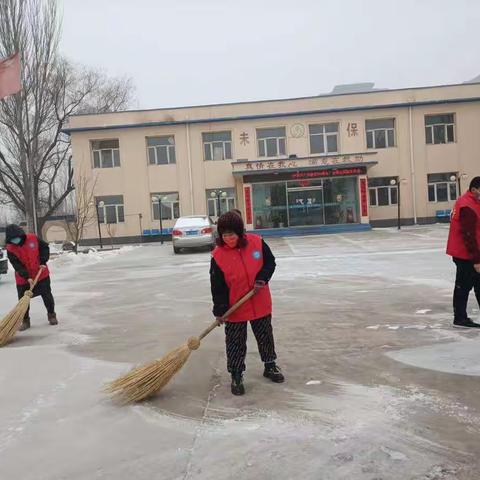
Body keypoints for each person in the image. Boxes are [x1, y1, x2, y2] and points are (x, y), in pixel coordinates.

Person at [210, 211, 284, 395]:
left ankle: (270, 365)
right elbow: (217, 286)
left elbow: (270, 262)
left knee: (265, 335)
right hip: (234, 307)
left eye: (231, 234)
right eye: (224, 235)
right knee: (235, 342)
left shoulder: (257, 242)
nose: (228, 238)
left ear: (240, 232)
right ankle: (236, 375)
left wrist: (262, 279)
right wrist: (220, 309)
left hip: (259, 301)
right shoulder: (218, 255)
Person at [5, 224, 58, 331]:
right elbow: (16, 265)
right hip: (23, 278)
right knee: (23, 300)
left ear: (21, 235)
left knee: (47, 295)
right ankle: (25, 320)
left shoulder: (32, 238)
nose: (16, 241)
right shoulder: (10, 248)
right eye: (12, 239)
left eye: (17, 237)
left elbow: (44, 248)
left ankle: (51, 315)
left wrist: (43, 261)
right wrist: (27, 277)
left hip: (40, 273)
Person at [446, 177, 480, 328]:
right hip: (466, 254)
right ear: (474, 190)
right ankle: (460, 318)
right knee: (464, 285)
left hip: (469, 253)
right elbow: (468, 235)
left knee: (472, 284)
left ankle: (460, 317)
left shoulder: (470, 201)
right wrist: (476, 260)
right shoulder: (467, 205)